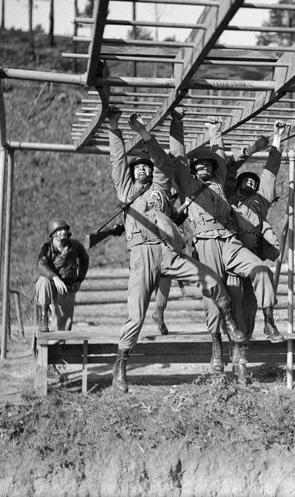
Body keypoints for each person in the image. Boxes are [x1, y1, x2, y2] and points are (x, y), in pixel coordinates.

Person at [107, 107, 245, 394]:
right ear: (131, 174)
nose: (142, 168)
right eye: (138, 167)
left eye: (145, 166)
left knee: (211, 280)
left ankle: (229, 321)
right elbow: (117, 159)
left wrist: (144, 134)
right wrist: (114, 126)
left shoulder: (160, 184)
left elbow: (163, 160)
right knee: (136, 313)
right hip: (141, 255)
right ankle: (121, 364)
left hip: (168, 251)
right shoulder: (124, 190)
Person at [134, 112, 282, 379]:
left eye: (207, 163)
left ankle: (270, 321)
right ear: (193, 167)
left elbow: (220, 152)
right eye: (198, 164)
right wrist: (176, 124)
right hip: (205, 244)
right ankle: (216, 344)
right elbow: (177, 157)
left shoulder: (220, 184)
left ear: (214, 168)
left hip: (229, 240)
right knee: (212, 294)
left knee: (260, 270)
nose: (203, 166)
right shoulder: (187, 184)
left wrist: (216, 131)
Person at [221, 121, 287, 377]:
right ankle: (224, 362)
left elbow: (271, 171)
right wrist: (252, 149)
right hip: (230, 260)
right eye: (245, 180)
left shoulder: (261, 202)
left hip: (253, 261)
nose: (250, 183)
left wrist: (278, 139)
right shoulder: (227, 198)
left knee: (247, 314)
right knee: (231, 311)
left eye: (253, 182)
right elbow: (228, 168)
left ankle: (246, 358)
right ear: (237, 184)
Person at [35, 219, 89, 332]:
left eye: (64, 229)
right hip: (52, 284)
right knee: (42, 281)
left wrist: (80, 279)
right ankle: (43, 319)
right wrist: (55, 278)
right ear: (53, 233)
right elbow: (41, 265)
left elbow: (84, 260)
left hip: (67, 286)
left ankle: (57, 348)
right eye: (59, 230)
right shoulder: (47, 248)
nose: (63, 232)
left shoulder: (75, 246)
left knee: (62, 328)